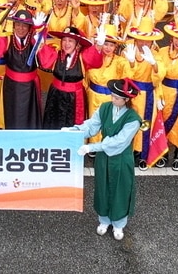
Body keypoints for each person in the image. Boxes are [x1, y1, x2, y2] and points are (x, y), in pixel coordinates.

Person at [67, 78, 142, 239]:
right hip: (103, 158)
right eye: (112, 96)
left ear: (126, 99)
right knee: (102, 187)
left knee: (120, 191)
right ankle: (104, 220)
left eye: (116, 98)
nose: (112, 99)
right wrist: (74, 130)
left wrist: (91, 147)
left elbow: (120, 142)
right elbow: (92, 125)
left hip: (121, 159)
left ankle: (119, 224)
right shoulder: (105, 107)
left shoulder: (133, 119)